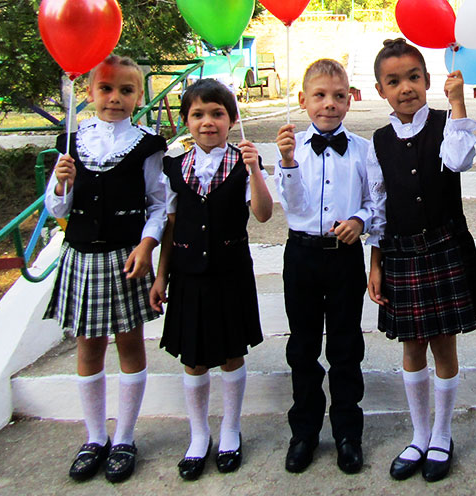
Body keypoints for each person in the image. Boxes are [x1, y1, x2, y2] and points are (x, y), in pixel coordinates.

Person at [44, 54, 167, 484]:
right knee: (88, 347)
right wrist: (61, 182)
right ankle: (95, 437)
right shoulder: (72, 142)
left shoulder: (148, 144)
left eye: (126, 90)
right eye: (106, 89)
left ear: (139, 96)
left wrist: (147, 245)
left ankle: (125, 437)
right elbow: (57, 209)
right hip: (82, 256)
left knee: (130, 345)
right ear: (90, 92)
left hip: (125, 256)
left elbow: (158, 204)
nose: (115, 98)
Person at [366, 37, 476, 483]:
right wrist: (375, 263)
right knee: (412, 347)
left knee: (443, 345)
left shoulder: (446, 124)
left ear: (428, 80)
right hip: (400, 254)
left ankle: (442, 434)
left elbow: (459, 160)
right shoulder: (379, 141)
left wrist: (458, 105)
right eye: (394, 81)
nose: (406, 88)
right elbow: (378, 208)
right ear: (381, 90)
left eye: (413, 77)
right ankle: (418, 435)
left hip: (445, 248)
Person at [148, 78, 274, 481]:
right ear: (185, 121)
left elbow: (263, 213)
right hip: (188, 275)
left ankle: (231, 430)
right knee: (194, 358)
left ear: (232, 119)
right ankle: (199, 435)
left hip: (230, 272)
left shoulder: (243, 161)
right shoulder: (174, 167)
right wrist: (161, 276)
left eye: (217, 113)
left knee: (231, 352)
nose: (207, 122)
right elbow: (170, 226)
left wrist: (254, 171)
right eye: (198, 114)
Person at [274, 59, 372, 475]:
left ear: (349, 101)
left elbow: (374, 201)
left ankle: (348, 433)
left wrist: (360, 221)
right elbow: (292, 206)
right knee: (303, 346)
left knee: (346, 346)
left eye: (338, 96)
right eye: (319, 95)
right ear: (303, 100)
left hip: (344, 257)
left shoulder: (363, 150)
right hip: (302, 256)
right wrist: (287, 162)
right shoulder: (291, 147)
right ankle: (305, 432)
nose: (329, 104)